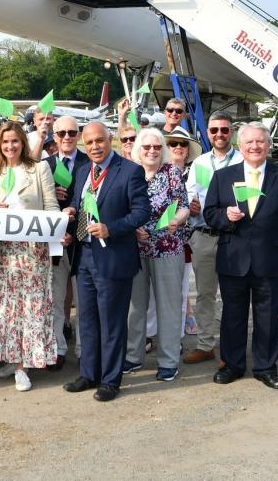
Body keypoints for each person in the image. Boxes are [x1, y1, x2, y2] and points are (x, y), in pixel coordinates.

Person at [203, 123, 278, 391]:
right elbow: (209, 213)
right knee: (232, 315)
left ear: (268, 145)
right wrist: (225, 216)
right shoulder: (223, 177)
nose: (255, 146)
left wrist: (271, 237)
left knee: (268, 316)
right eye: (249, 142)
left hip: (270, 257)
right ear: (240, 146)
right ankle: (232, 365)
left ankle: (266, 367)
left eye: (260, 141)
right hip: (233, 258)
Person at [62, 122, 150, 403]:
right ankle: (89, 373)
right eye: (89, 143)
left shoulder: (130, 171)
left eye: (99, 140)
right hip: (84, 255)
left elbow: (142, 212)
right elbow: (80, 204)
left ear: (110, 139)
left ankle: (111, 380)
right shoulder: (82, 171)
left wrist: (111, 228)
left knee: (112, 323)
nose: (95, 147)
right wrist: (71, 210)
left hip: (113, 257)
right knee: (86, 320)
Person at [0, 122, 60, 392]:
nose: (10, 146)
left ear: (23, 143)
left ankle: (23, 366)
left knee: (29, 307)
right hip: (3, 251)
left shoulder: (39, 169)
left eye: (15, 141)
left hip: (32, 250)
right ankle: (11, 356)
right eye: (5, 142)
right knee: (5, 307)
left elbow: (51, 207)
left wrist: (56, 232)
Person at [123, 128, 190, 382]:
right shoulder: (129, 172)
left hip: (167, 246)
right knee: (135, 306)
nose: (152, 151)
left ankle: (169, 361)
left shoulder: (172, 172)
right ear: (138, 149)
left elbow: (184, 206)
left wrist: (176, 220)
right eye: (147, 146)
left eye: (157, 147)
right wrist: (132, 227)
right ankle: (133, 356)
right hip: (134, 248)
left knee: (168, 306)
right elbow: (121, 206)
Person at [182, 115, 241, 365]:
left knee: (233, 295)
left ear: (232, 131)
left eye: (224, 130)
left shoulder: (242, 161)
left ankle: (230, 349)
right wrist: (191, 205)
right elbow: (189, 193)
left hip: (234, 237)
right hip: (204, 236)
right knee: (205, 295)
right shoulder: (200, 163)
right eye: (214, 130)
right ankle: (206, 345)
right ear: (207, 132)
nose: (219, 134)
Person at [44, 115, 88, 369]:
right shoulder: (45, 166)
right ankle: (57, 348)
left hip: (82, 240)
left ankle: (84, 350)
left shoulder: (89, 163)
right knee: (56, 298)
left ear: (78, 135)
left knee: (83, 301)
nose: (67, 137)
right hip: (54, 241)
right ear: (55, 137)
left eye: (72, 133)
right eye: (62, 133)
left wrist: (75, 228)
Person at [164, 127, 201, 337]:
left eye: (183, 144)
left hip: (186, 240)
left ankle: (176, 336)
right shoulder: (157, 173)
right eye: (173, 143)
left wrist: (198, 207)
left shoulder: (197, 174)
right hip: (159, 240)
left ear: (188, 150)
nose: (178, 147)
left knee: (181, 289)